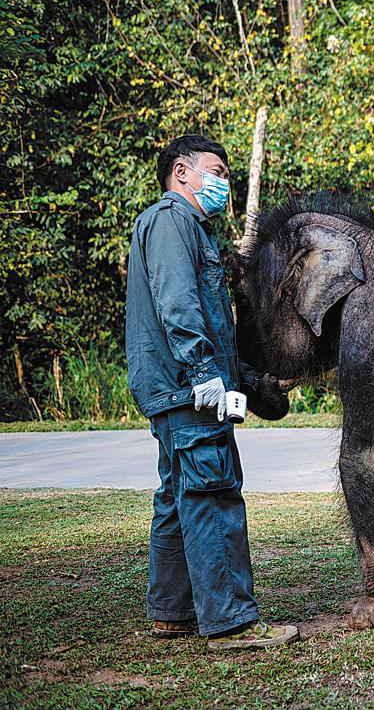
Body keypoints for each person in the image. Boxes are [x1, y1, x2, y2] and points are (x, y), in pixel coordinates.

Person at [125, 134, 299, 650]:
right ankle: (231, 623)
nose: (224, 183)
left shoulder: (186, 228)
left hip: (177, 388)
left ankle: (174, 612)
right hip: (186, 387)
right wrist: (203, 374)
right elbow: (179, 304)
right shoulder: (172, 221)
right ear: (182, 171)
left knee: (178, 498)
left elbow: (214, 325)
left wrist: (250, 381)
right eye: (217, 172)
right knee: (212, 492)